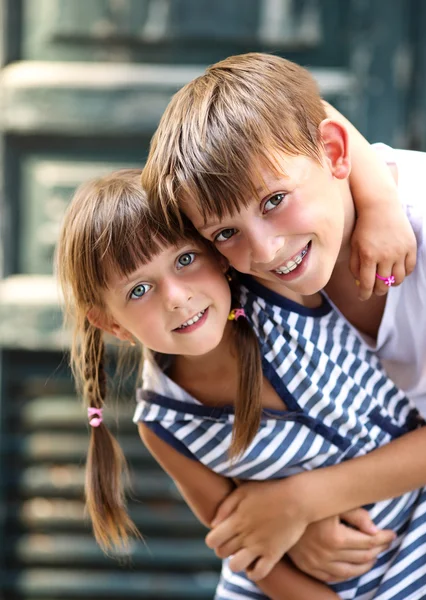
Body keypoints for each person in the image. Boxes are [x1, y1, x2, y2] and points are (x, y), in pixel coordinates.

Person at [139, 53, 426, 595]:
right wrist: (291, 520)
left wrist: (303, 501)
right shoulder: (252, 275)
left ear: (337, 153)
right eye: (224, 233)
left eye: (275, 202)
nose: (265, 249)